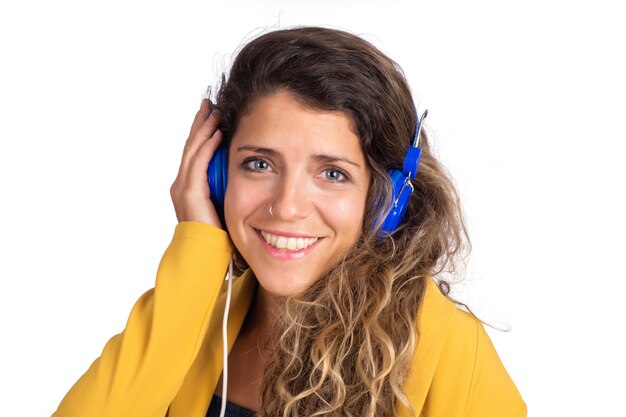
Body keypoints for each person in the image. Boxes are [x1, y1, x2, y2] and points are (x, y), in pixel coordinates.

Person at [53, 27, 526, 417]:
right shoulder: (192, 316)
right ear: (216, 176)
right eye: (259, 164)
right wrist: (196, 249)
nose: (287, 206)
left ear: (384, 200)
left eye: (332, 173)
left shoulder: (450, 350)